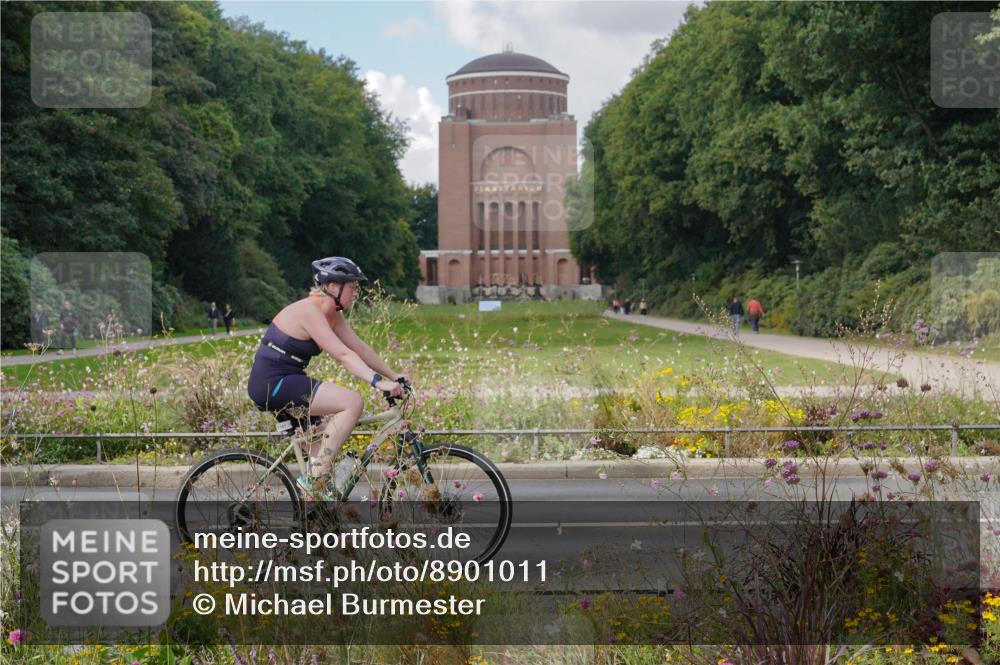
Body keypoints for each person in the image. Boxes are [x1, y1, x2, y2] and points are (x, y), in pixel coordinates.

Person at [246, 256, 406, 500]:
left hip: (286, 381)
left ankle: (315, 513)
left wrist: (394, 375)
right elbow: (342, 354)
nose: (356, 292)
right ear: (333, 286)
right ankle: (315, 479)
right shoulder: (310, 311)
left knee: (321, 449)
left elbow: (359, 348)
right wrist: (377, 382)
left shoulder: (333, 315)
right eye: (352, 286)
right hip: (273, 384)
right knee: (352, 402)